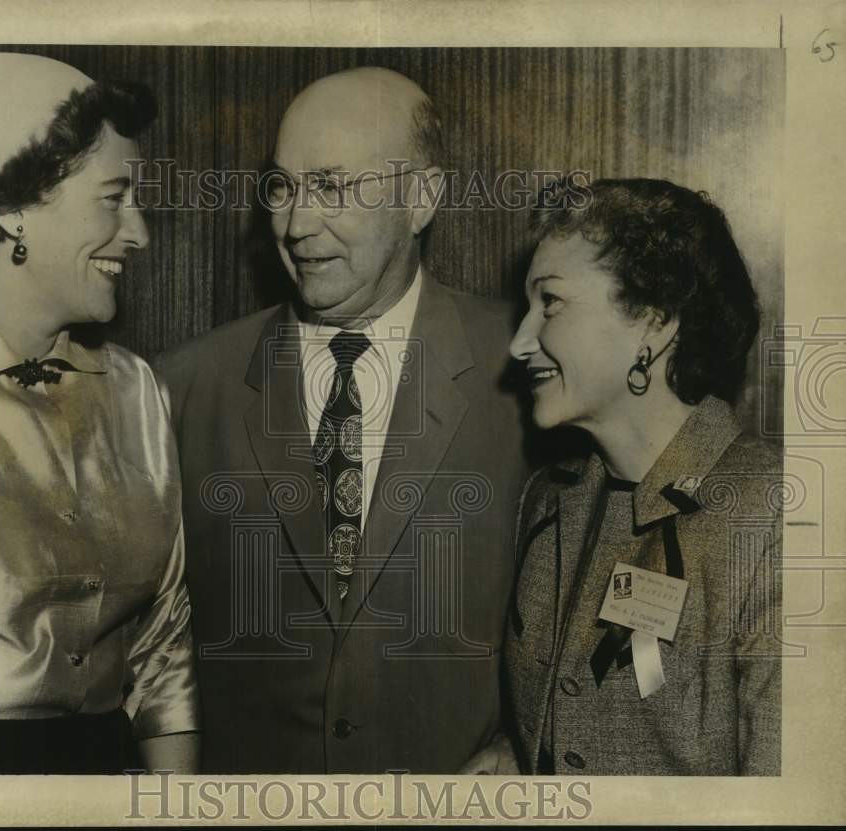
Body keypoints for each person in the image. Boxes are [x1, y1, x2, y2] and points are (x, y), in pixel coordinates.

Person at [155, 67, 527, 773]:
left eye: (331, 186)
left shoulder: (529, 374)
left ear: (421, 199)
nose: (295, 226)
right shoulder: (180, 386)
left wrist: (524, 740)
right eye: (282, 187)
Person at [0, 48, 199, 775]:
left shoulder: (135, 391)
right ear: (10, 209)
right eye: (112, 198)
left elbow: (163, 646)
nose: (140, 233)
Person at [501, 178, 781, 775]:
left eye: (549, 303)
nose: (520, 343)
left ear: (654, 322)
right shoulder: (548, 500)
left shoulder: (780, 516)